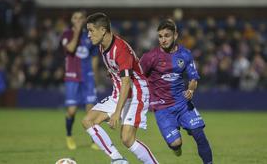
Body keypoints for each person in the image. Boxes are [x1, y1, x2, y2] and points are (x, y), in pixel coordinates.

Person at [83, 12, 159, 164]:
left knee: (127, 138)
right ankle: (118, 159)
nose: (89, 35)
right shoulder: (102, 47)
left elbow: (127, 82)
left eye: (91, 30)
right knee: (88, 120)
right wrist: (111, 73)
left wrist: (117, 113)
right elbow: (118, 73)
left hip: (136, 91)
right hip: (120, 92)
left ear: (103, 30)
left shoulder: (120, 49)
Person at [140, 19, 213, 164]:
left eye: (167, 35)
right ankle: (176, 147)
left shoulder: (185, 54)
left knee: (199, 134)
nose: (163, 40)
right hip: (162, 108)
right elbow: (138, 75)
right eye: (160, 36)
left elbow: (193, 78)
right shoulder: (150, 57)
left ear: (175, 36)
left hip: (182, 103)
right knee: (176, 144)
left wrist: (191, 90)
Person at [61, 11, 99, 150]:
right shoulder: (67, 34)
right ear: (71, 20)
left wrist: (95, 76)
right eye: (75, 17)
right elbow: (70, 48)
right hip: (72, 77)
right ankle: (69, 135)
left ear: (84, 20)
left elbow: (94, 57)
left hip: (87, 77)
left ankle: (94, 140)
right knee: (71, 111)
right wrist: (76, 32)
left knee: (91, 111)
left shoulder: (90, 35)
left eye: (80, 18)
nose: (78, 20)